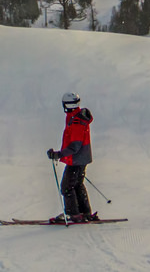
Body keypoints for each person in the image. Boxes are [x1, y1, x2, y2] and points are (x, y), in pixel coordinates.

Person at [44, 92, 97, 224]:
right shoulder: (74, 117)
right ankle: (84, 212)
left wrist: (59, 154)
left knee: (67, 187)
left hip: (77, 159)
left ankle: (73, 214)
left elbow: (75, 146)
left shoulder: (77, 121)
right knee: (77, 184)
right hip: (80, 158)